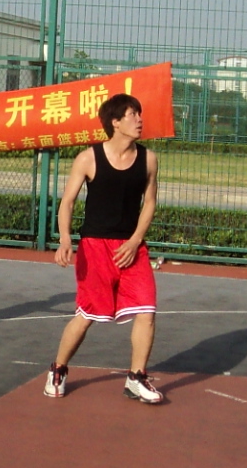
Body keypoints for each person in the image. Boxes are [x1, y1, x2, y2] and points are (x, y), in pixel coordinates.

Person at [44, 93, 165, 405]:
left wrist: (136, 240)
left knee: (147, 311)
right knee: (87, 315)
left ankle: (136, 377)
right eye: (132, 115)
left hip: (132, 247)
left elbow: (150, 203)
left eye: (139, 114)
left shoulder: (148, 159)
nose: (139, 120)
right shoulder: (88, 158)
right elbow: (68, 202)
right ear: (115, 122)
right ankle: (58, 369)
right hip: (95, 247)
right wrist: (65, 239)